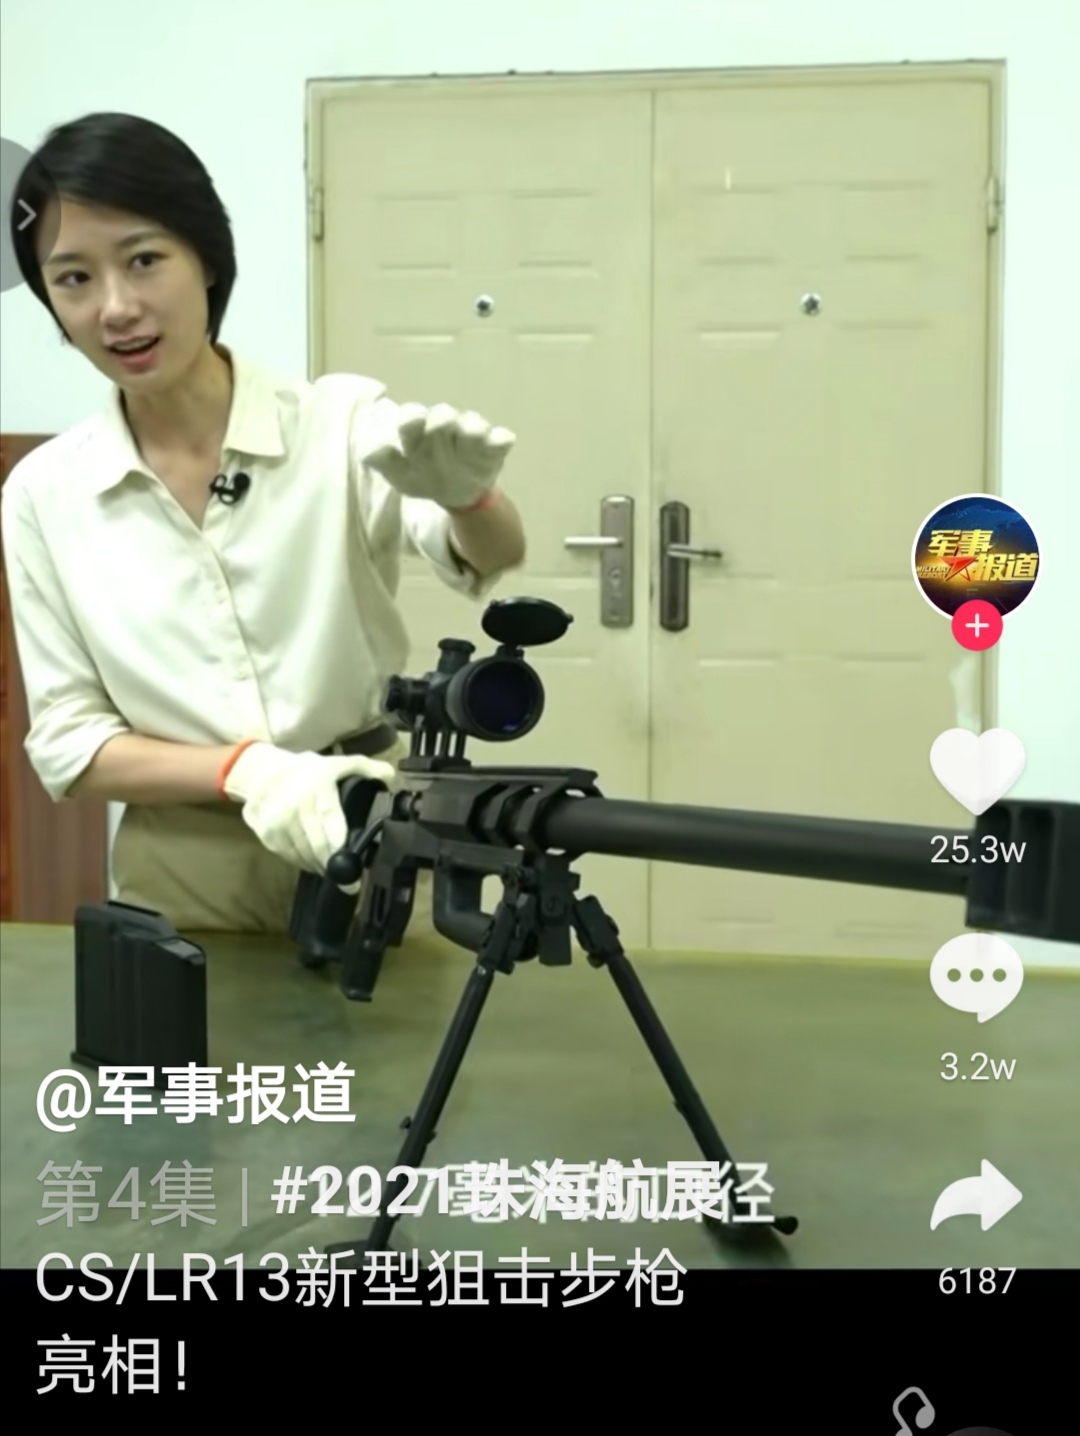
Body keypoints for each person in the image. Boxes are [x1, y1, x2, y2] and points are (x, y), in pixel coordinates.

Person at [1, 112, 526, 936]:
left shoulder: (339, 422)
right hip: (182, 864)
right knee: (191, 1029)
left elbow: (487, 557)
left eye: (144, 260)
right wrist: (247, 771)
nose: (116, 308)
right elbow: (69, 744)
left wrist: (472, 500)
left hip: (373, 830)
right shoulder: (44, 492)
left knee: (400, 1025)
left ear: (207, 258)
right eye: (73, 279)